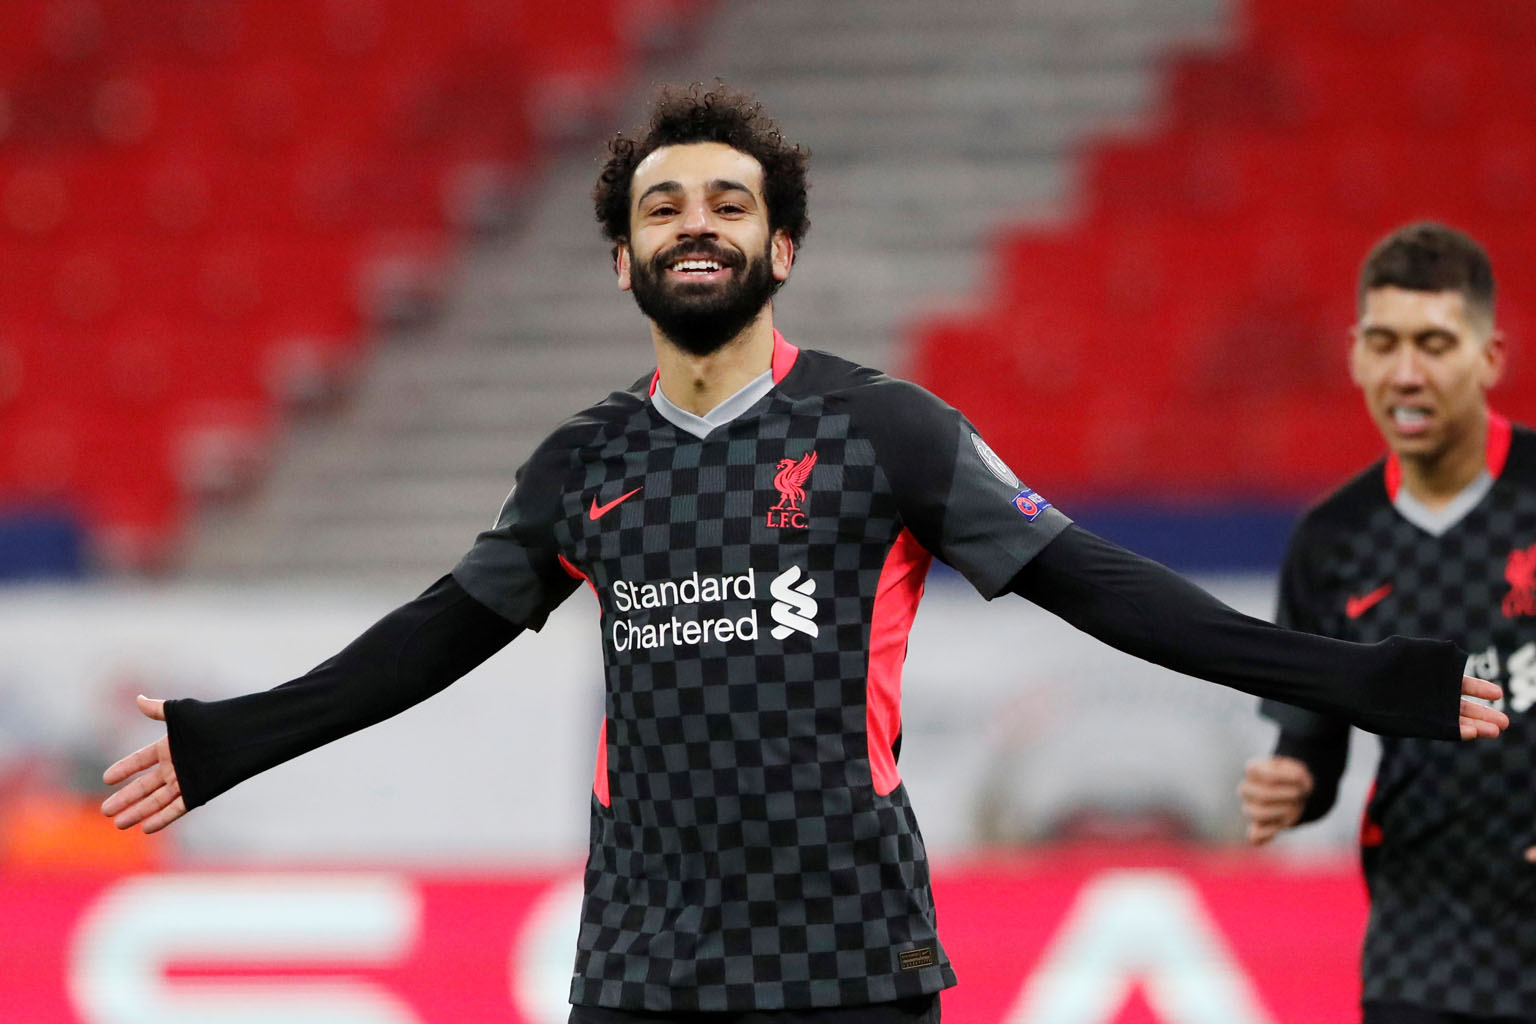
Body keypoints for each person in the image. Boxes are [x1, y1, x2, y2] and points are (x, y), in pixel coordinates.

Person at [103, 88, 1505, 1024]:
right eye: (662, 208)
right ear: (620, 265)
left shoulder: (884, 431)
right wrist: (236, 739)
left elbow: (1105, 589)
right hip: (641, 968)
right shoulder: (583, 464)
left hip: (852, 959)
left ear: (782, 249)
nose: (695, 224)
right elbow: (429, 639)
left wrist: (1373, 680)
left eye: (727, 204)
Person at [1240, 222, 1532, 1024]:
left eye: (1435, 343)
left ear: (1489, 357)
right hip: (1420, 951)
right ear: (1355, 353)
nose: (1406, 373)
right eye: (1385, 342)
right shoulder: (1332, 541)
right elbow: (1314, 749)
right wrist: (1291, 785)